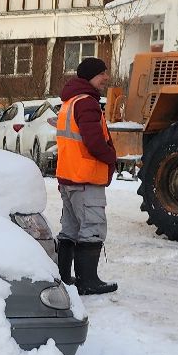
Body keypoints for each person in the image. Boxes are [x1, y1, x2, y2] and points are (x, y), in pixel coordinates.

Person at [54, 56, 119, 296]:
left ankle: (63, 277)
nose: (106, 77)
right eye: (102, 73)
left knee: (70, 229)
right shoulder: (87, 103)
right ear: (91, 75)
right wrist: (112, 156)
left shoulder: (70, 102)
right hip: (86, 178)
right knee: (92, 227)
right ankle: (87, 281)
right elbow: (94, 142)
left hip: (69, 178)